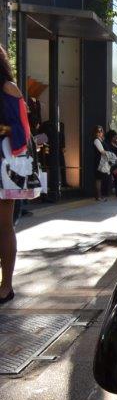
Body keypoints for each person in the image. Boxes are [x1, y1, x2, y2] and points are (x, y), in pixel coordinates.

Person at [0, 45, 30, 304]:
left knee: (4, 225)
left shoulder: (8, 88)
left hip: (3, 163)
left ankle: (6, 285)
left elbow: (22, 130)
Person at [92, 125, 111, 201]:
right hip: (99, 161)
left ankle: (99, 196)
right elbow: (101, 151)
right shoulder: (96, 140)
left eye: (101, 131)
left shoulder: (101, 140)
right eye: (98, 131)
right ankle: (98, 196)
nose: (100, 133)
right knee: (98, 179)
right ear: (95, 132)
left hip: (102, 161)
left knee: (100, 178)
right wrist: (110, 156)